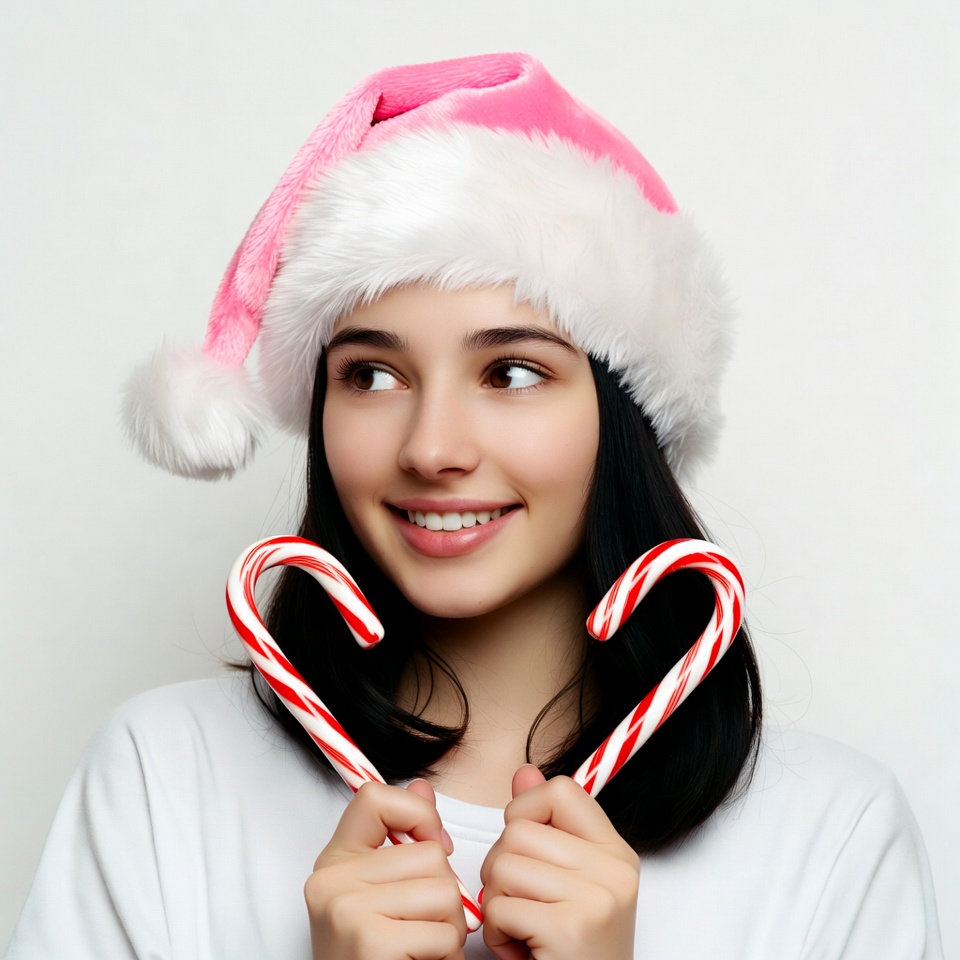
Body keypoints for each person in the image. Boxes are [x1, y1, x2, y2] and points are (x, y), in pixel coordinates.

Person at [6, 54, 942, 960]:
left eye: (513, 371)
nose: (433, 448)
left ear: (624, 417)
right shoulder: (161, 779)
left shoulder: (833, 835)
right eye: (371, 373)